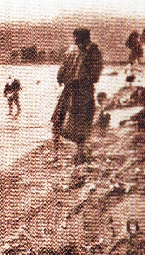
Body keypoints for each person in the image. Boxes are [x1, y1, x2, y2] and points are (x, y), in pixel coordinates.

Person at [50, 28, 103, 165]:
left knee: (59, 121)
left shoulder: (73, 51)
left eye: (76, 37)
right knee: (80, 122)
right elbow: (96, 75)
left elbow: (60, 74)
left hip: (73, 90)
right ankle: (77, 153)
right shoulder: (91, 51)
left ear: (78, 38)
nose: (75, 40)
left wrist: (64, 78)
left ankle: (60, 154)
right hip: (82, 91)